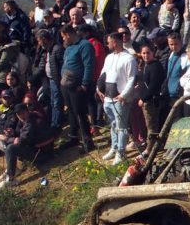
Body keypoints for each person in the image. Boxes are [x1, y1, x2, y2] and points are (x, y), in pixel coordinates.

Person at [97, 32, 137, 165]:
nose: (107, 44)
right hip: (107, 98)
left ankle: (121, 152)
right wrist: (98, 88)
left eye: (109, 42)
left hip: (120, 99)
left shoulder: (129, 58)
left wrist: (123, 95)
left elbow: (132, 78)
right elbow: (103, 73)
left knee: (122, 127)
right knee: (113, 125)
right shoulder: (109, 57)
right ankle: (114, 148)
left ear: (115, 42)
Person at [59, 24, 96, 153]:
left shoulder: (84, 45)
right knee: (71, 111)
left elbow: (89, 65)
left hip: (77, 85)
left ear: (68, 34)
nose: (63, 39)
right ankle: (73, 136)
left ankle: (87, 140)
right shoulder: (69, 47)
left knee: (80, 112)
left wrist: (85, 83)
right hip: (66, 83)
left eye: (64, 37)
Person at [0, 104, 45, 188]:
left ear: (27, 111)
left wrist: (7, 139)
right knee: (1, 143)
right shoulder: (24, 121)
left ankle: (11, 179)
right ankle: (13, 168)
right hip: (33, 149)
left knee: (10, 148)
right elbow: (20, 134)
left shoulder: (32, 121)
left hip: (41, 154)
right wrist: (12, 133)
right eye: (18, 114)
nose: (21, 116)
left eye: (23, 113)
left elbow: (22, 140)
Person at [136, 41, 166, 153]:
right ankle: (152, 146)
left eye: (148, 53)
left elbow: (153, 85)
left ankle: (150, 149)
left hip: (152, 101)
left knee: (151, 126)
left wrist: (143, 99)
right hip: (148, 99)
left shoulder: (155, 66)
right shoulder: (147, 65)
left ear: (152, 53)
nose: (145, 55)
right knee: (150, 125)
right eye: (143, 53)